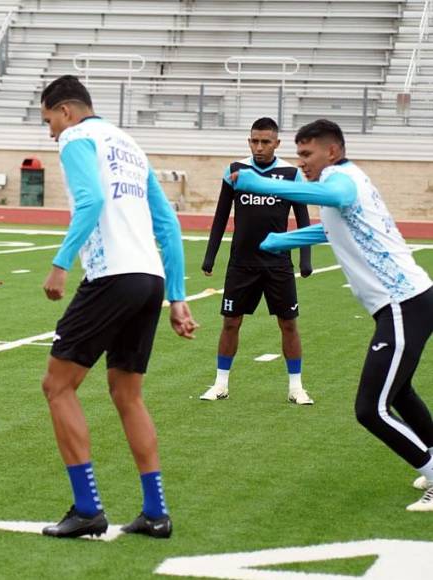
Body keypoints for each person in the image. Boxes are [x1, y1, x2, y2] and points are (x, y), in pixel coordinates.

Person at [232, 118, 433, 512]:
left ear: (333, 152)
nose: (301, 161)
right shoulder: (345, 183)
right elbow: (331, 230)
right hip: (409, 302)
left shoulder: (342, 181)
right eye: (299, 153)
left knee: (370, 409)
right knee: (401, 393)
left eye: (307, 154)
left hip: (402, 303)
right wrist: (282, 240)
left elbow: (333, 198)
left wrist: (259, 183)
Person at [36, 76, 197, 539]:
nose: (50, 133)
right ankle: (155, 512)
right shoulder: (129, 144)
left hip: (112, 276)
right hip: (149, 278)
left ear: (65, 111)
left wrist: (60, 263)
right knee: (128, 394)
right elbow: (167, 223)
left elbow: (90, 200)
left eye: (48, 121)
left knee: (58, 385)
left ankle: (87, 508)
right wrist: (177, 297)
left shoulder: (76, 137)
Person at [200, 117, 314, 405]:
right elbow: (220, 216)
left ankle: (296, 388)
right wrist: (210, 255)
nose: (259, 147)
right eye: (254, 141)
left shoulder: (290, 173)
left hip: (277, 265)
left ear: (277, 143)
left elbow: (302, 218)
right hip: (242, 264)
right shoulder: (236, 170)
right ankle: (220, 383)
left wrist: (305, 258)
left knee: (288, 324)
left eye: (265, 141)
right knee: (230, 322)